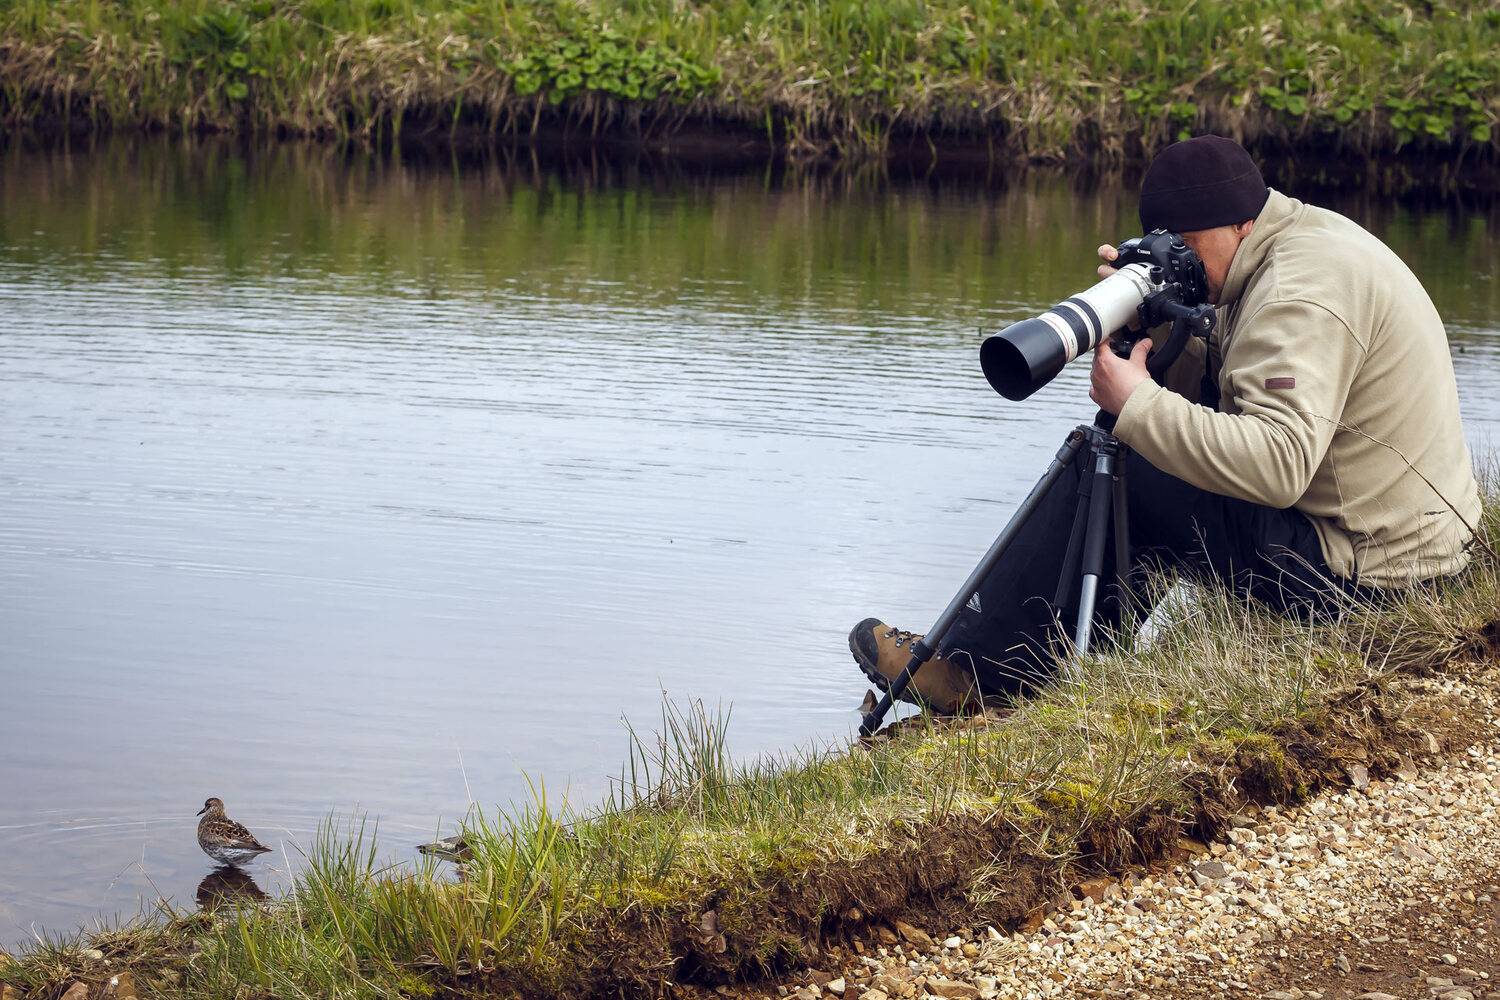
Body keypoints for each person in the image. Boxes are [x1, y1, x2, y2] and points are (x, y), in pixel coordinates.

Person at [850, 135, 1482, 714]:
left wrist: (1138, 405)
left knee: (1128, 463)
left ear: (1240, 221)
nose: (1178, 258)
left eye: (1187, 244)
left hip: (1373, 578)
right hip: (1392, 542)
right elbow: (1233, 394)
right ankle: (1026, 668)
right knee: (1140, 450)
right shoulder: (1282, 243)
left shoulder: (1297, 290)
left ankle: (984, 679)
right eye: (1166, 243)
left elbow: (1279, 463)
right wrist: (1158, 335)